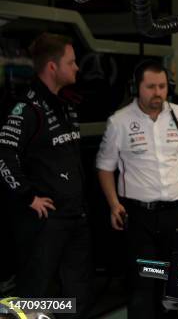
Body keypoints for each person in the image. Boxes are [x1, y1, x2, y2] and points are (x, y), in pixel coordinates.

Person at [96, 60, 178, 319]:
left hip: (174, 214)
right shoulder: (119, 122)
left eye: (162, 86)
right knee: (144, 282)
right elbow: (105, 168)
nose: (158, 93)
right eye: (151, 87)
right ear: (136, 88)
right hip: (139, 217)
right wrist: (113, 204)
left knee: (172, 281)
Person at [0, 33, 93, 317]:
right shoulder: (27, 109)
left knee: (76, 297)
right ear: (52, 67)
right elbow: (4, 156)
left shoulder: (66, 104)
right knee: (34, 297)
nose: (77, 67)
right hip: (45, 223)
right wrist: (29, 196)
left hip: (76, 216)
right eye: (71, 62)